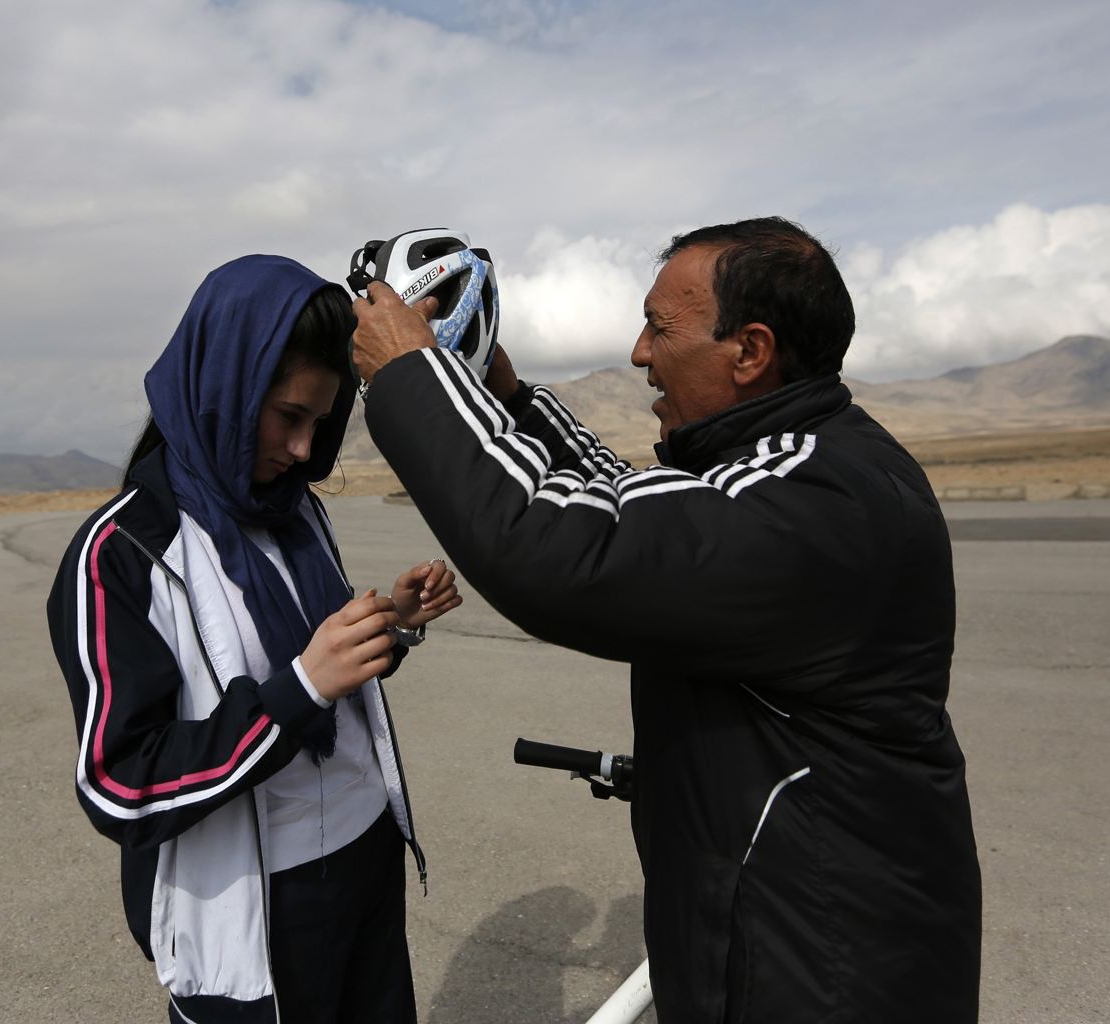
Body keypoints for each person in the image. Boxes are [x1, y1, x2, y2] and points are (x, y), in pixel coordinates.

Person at [348, 218, 982, 1022]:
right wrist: (508, 402)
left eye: (659, 326)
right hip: (783, 938)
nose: (640, 353)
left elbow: (569, 551)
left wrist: (411, 376)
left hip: (824, 973)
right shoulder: (791, 464)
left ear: (749, 351)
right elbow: (634, 508)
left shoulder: (818, 500)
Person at [47, 255, 460, 1024]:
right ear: (222, 391)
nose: (304, 451)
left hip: (367, 859)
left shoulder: (294, 512)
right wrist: (296, 693)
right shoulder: (122, 554)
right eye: (288, 417)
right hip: (259, 905)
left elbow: (319, 669)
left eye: (320, 421)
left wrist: (391, 624)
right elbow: (119, 783)